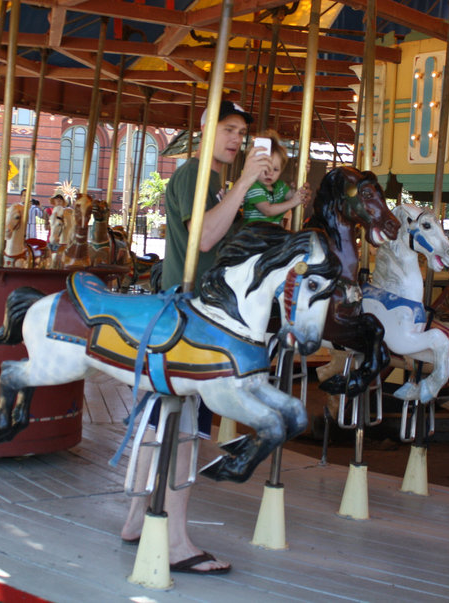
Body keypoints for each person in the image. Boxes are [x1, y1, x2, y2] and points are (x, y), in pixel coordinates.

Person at [121, 100, 273, 575]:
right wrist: (246, 181)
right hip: (192, 313)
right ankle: (178, 541)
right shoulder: (195, 173)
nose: (236, 139)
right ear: (206, 132)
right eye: (228, 129)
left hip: (192, 308)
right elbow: (204, 239)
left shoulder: (212, 181)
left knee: (161, 422)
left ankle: (134, 519)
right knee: (186, 430)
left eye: (242, 133)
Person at [240, 130, 310, 226]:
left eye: (276, 169)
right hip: (254, 236)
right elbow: (267, 210)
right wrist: (293, 202)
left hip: (272, 234)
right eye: (265, 167)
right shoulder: (253, 186)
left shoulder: (280, 186)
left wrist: (301, 173)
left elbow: (294, 196)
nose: (270, 173)